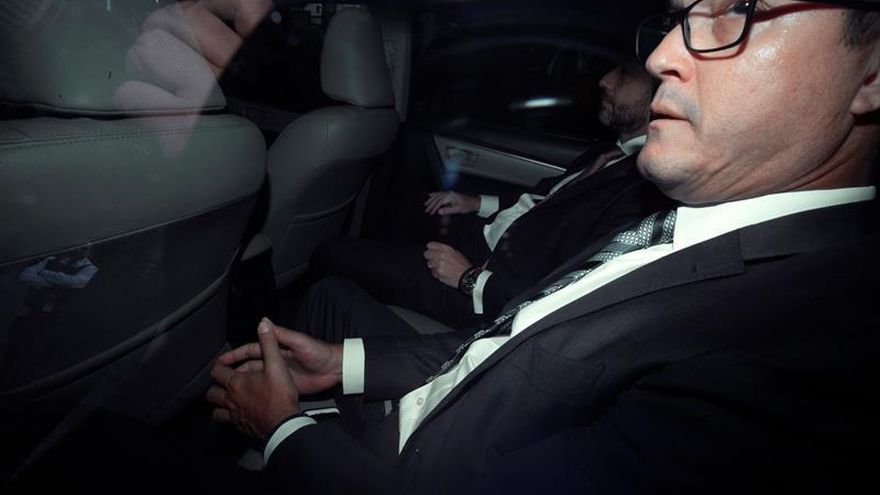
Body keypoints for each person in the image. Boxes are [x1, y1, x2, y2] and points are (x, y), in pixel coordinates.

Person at [208, 0, 880, 493]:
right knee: (328, 299)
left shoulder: (808, 353)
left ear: (873, 70)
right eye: (679, 19)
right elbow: (516, 343)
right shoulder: (693, 223)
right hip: (418, 413)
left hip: (389, 465)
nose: (660, 58)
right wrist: (344, 364)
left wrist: (282, 430)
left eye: (737, 10)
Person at [312, 60, 670, 328]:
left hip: (491, 285)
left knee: (333, 253)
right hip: (495, 238)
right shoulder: (609, 152)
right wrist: (476, 203)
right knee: (405, 207)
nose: (605, 80)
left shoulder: (644, 185)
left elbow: (567, 292)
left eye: (625, 74)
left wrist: (470, 278)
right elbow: (550, 200)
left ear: (660, 93)